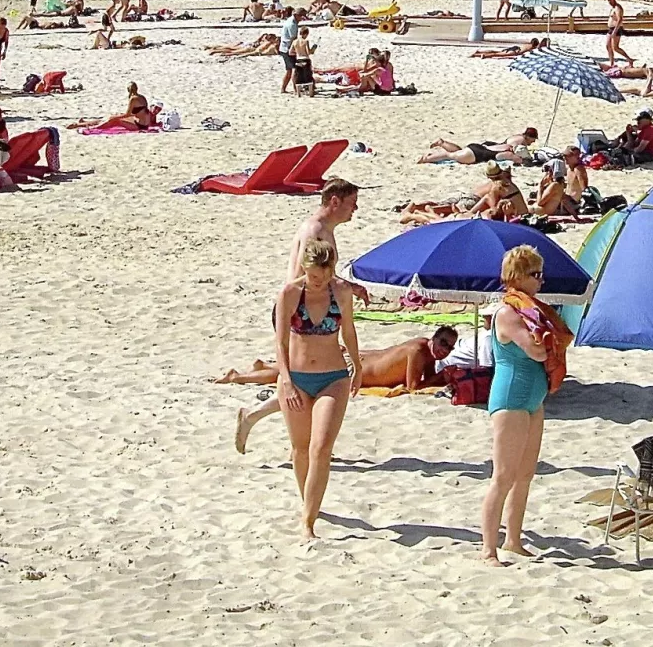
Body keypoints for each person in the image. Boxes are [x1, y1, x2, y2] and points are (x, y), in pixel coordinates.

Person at [480, 245, 572, 565]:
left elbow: (548, 344)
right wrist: (549, 341)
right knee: (503, 475)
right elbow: (536, 351)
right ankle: (488, 549)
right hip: (511, 398)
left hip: (533, 398)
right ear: (518, 277)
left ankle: (514, 539)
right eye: (535, 275)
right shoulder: (508, 313)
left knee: (525, 473)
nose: (541, 281)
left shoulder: (533, 311)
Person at [273, 240, 362, 540]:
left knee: (320, 448)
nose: (317, 282)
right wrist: (285, 379)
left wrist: (358, 367)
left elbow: (348, 331)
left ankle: (308, 522)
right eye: (312, 275)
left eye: (322, 276)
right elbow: (281, 341)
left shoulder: (341, 292)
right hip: (295, 378)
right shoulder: (289, 294)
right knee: (300, 449)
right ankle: (308, 503)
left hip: (333, 377)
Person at [218, 327, 457, 393]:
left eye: (450, 347)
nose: (445, 350)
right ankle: (239, 377)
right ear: (433, 338)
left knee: (301, 370)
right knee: (297, 377)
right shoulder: (417, 351)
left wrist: (437, 375)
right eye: (443, 342)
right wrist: (441, 377)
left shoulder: (424, 348)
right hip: (354, 368)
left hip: (359, 361)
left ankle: (264, 366)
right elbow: (412, 386)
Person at [417, 128, 538, 165]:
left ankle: (442, 143)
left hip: (478, 147)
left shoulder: (507, 145)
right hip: (475, 155)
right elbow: (519, 160)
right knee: (451, 156)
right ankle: (426, 158)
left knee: (459, 151)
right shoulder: (510, 152)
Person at [67, 82, 154, 131]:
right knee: (111, 117)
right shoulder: (142, 97)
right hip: (142, 122)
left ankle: (93, 128)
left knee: (114, 120)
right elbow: (140, 112)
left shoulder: (133, 99)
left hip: (140, 125)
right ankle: (83, 123)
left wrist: (115, 117)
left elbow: (128, 114)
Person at [278, 8, 306, 94]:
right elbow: (293, 39)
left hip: (284, 48)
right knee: (294, 70)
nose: (302, 19)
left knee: (289, 70)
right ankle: (295, 89)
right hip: (287, 49)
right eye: (301, 17)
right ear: (297, 15)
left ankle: (283, 88)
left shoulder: (290, 20)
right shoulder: (292, 24)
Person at [604, 0, 633, 67]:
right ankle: (612, 63)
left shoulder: (618, 8)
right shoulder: (612, 8)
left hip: (616, 29)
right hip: (611, 28)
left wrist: (615, 31)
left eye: (610, 0)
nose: (609, 2)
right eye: (608, 1)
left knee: (615, 47)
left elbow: (620, 19)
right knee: (608, 45)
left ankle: (629, 59)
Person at [289, 27, 316, 95]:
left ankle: (298, 93)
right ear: (305, 34)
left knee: (299, 77)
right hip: (305, 59)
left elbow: (290, 52)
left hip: (298, 59)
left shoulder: (294, 42)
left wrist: (297, 52)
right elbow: (308, 52)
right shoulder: (305, 41)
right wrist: (313, 49)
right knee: (308, 76)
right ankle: (311, 93)